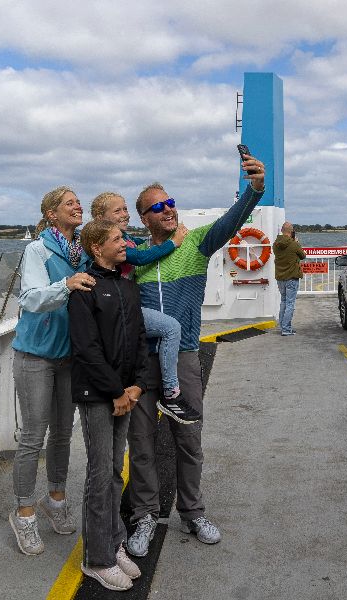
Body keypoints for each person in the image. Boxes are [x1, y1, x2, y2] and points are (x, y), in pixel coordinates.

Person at [125, 149, 266, 557]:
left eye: (171, 202)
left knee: (189, 438)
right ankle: (146, 515)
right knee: (142, 441)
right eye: (158, 206)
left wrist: (255, 188)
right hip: (140, 360)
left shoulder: (198, 243)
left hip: (184, 354)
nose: (169, 210)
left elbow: (232, 221)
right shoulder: (133, 256)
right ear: (143, 217)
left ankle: (192, 511)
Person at [9, 186, 93, 555]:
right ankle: (24, 512)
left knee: (61, 434)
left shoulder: (82, 252)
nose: (78, 206)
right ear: (51, 213)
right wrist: (67, 285)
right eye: (69, 203)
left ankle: (55, 501)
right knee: (33, 436)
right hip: (36, 356)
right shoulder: (37, 249)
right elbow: (29, 298)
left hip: (68, 356)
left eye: (79, 201)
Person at [69, 220, 148, 591]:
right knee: (99, 475)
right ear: (97, 248)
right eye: (117, 239)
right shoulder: (85, 290)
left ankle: (113, 542)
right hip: (98, 395)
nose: (124, 243)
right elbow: (86, 348)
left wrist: (137, 386)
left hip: (125, 393)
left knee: (117, 470)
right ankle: (95, 559)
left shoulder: (128, 287)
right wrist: (116, 390)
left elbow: (139, 340)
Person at [90, 192, 199, 424]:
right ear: (100, 217)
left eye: (125, 209)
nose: (124, 214)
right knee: (171, 328)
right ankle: (171, 393)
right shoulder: (111, 242)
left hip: (125, 304)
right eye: (117, 210)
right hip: (120, 309)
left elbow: (140, 247)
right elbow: (140, 258)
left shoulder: (125, 239)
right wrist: (174, 242)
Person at [273, 222, 306, 336]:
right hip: (291, 277)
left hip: (280, 277)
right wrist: (297, 243)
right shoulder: (294, 244)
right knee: (290, 303)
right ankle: (286, 329)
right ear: (291, 231)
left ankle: (283, 326)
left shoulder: (275, 244)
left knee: (283, 302)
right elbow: (302, 256)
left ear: (282, 230)